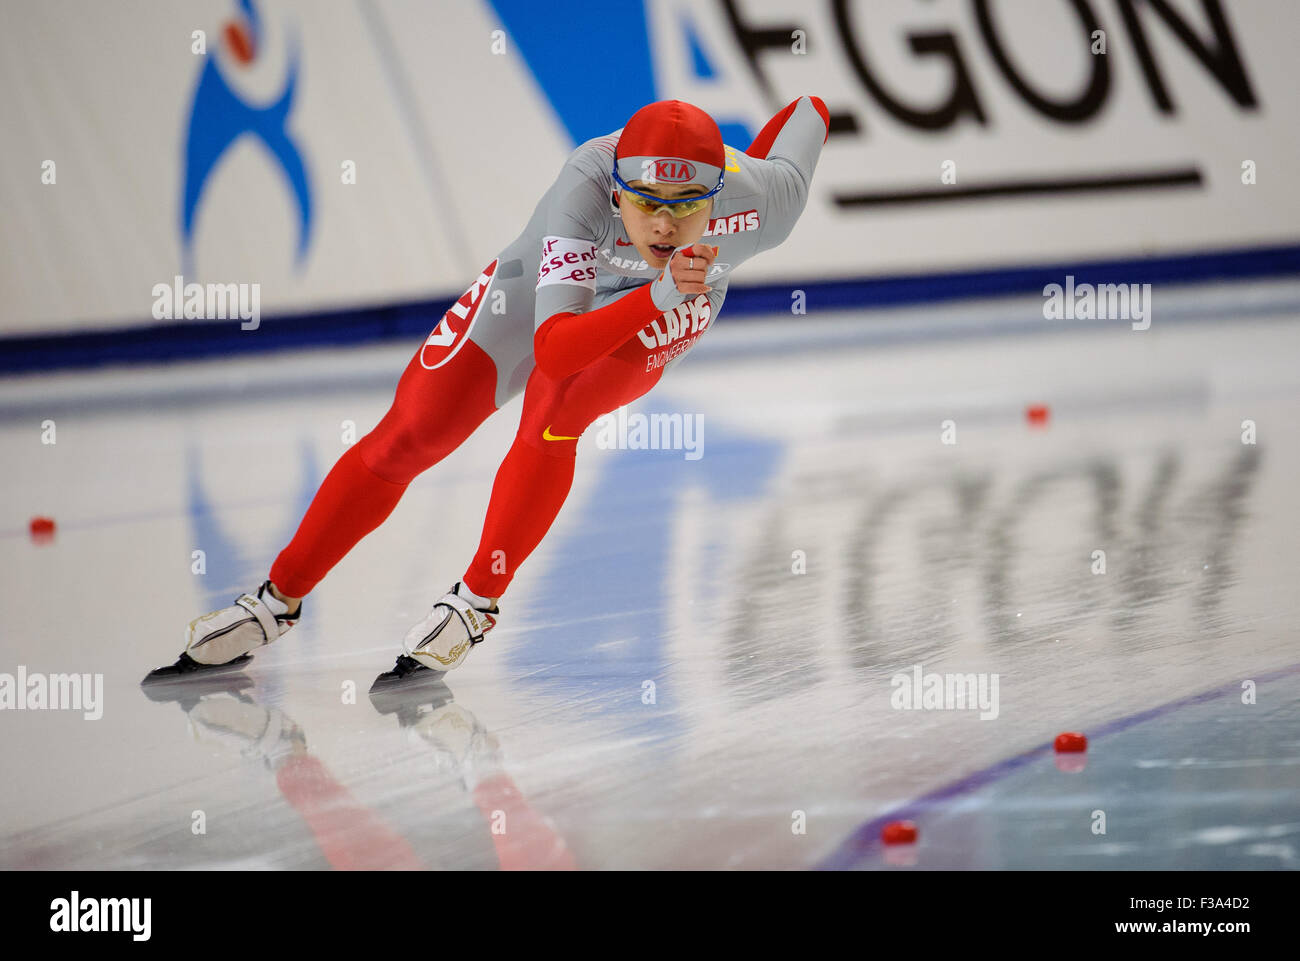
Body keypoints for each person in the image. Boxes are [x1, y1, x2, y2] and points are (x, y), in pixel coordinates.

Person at [148, 95, 830, 684]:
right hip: (551, 290)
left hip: (677, 299)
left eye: (685, 206)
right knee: (413, 431)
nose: (662, 225)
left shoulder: (766, 201)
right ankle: (277, 599)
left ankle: (477, 598)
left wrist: (742, 170)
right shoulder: (584, 188)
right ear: (619, 188)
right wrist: (657, 285)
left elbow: (809, 112)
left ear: (716, 195)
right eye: (648, 203)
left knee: (556, 412)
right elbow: (554, 346)